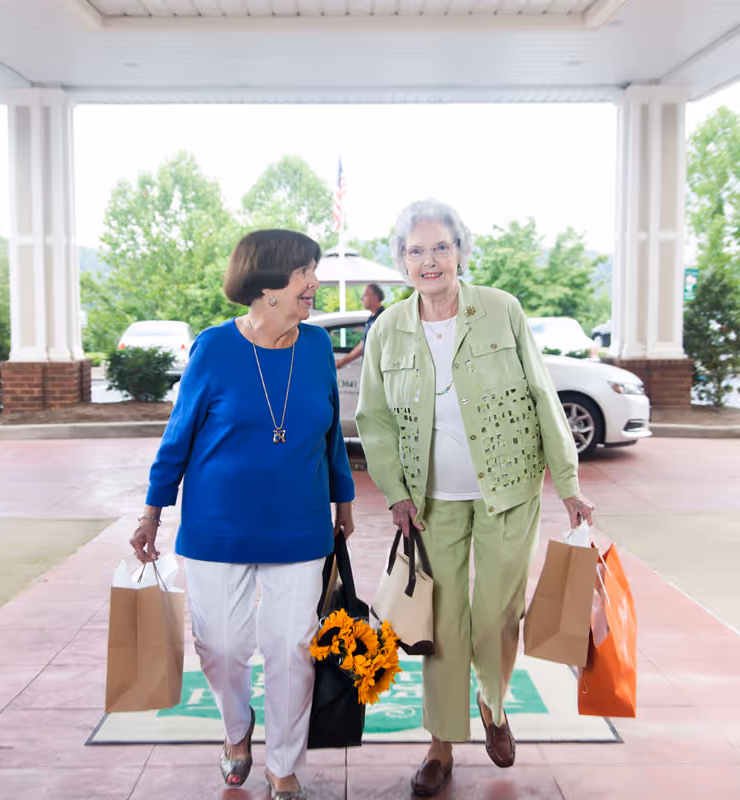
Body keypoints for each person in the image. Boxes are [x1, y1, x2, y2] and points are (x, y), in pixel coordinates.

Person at [356, 200, 594, 797]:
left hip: (508, 493)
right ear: (401, 263)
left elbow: (542, 395)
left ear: (460, 251)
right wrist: (395, 494)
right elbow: (375, 419)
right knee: (442, 625)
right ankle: (440, 746)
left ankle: (493, 703)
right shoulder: (388, 328)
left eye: (441, 248)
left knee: (494, 617)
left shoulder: (501, 311)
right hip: (430, 502)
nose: (429, 261)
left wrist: (568, 483)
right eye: (416, 251)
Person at [130, 229, 356, 800]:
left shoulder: (316, 349)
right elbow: (178, 435)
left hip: (300, 526)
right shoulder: (214, 347)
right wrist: (153, 510)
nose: (315, 282)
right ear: (268, 283)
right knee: (222, 647)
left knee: (291, 650)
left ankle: (283, 764)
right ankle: (238, 728)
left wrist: (344, 498)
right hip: (217, 528)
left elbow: (329, 436)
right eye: (306, 272)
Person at [335, 283, 386, 369]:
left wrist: (342, 362)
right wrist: (342, 362)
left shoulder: (383, 319)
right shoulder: (372, 319)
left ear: (375, 297)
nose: (361, 299)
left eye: (364, 295)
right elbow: (363, 344)